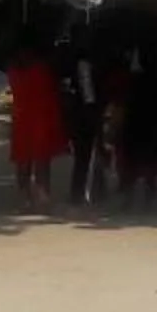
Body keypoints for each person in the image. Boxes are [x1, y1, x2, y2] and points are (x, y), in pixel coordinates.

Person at [6, 42, 65, 208]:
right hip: (40, 118)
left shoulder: (14, 71)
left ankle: (25, 197)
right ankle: (42, 195)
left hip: (22, 118)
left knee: (23, 160)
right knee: (41, 159)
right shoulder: (42, 70)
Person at [117, 52, 157, 211]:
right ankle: (148, 199)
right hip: (151, 125)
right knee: (149, 163)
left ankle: (128, 200)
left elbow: (127, 105)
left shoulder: (134, 81)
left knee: (132, 165)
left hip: (134, 124)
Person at [60, 40, 108, 206]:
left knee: (87, 154)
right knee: (85, 154)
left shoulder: (74, 66)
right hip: (84, 114)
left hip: (83, 113)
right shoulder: (81, 67)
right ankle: (82, 192)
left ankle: (89, 190)